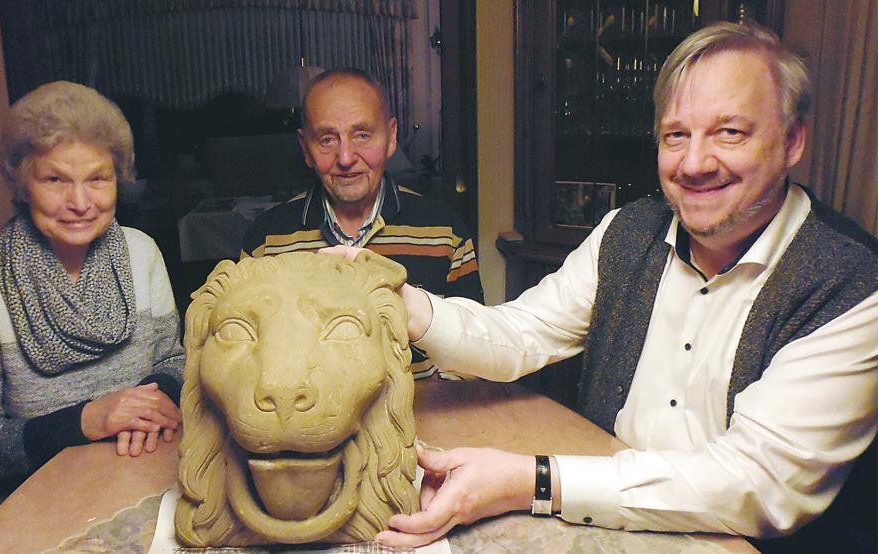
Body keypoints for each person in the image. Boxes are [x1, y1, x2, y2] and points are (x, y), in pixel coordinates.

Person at [326, 22, 877, 550]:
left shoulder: (850, 284)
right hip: (609, 528)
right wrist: (401, 304)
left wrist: (535, 481)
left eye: (729, 132)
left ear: (793, 141)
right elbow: (521, 334)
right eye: (675, 136)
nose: (694, 163)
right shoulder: (628, 230)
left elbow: (758, 483)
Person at [0, 81, 184, 523]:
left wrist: (152, 403)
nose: (80, 203)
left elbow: (175, 360)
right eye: (55, 179)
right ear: (21, 181)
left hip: (145, 476)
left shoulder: (141, 252)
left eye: (97, 178)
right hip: (32, 508)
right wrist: (86, 421)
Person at [242, 67, 484, 379]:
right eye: (327, 139)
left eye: (362, 135)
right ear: (305, 149)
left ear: (392, 137)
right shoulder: (267, 241)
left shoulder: (445, 233)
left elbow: (473, 351)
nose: (345, 157)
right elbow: (250, 357)